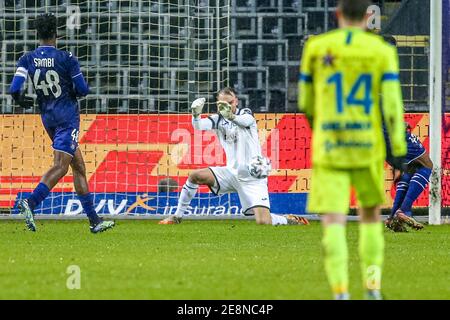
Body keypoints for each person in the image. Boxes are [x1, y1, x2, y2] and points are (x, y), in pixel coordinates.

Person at [299, 0, 407, 300]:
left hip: (330, 146)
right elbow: (392, 105)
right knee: (371, 218)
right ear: (370, 16)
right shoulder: (382, 51)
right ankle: (372, 287)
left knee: (333, 219)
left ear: (337, 14)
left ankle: (340, 291)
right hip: (367, 146)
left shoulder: (317, 48)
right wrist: (398, 154)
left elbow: (306, 103)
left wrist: (321, 129)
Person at [9, 13, 114, 233]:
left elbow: (14, 89)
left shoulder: (26, 58)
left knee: (79, 167)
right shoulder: (67, 58)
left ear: (37, 34)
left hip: (48, 117)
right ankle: (31, 202)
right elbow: (83, 90)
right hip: (67, 118)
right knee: (61, 166)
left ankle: (94, 221)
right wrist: (73, 91)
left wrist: (21, 100)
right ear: (56, 34)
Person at [159, 87, 309, 226]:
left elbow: (246, 121)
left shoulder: (245, 113)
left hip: (253, 177)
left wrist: (230, 116)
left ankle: (287, 219)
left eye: (230, 103)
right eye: (223, 104)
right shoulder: (217, 120)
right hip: (230, 173)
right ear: (218, 104)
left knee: (264, 221)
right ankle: (177, 216)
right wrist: (195, 114)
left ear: (236, 101)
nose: (228, 106)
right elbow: (198, 126)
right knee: (195, 176)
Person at [385, 125, 431, 231]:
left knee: (409, 170)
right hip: (394, 137)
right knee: (427, 164)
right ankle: (403, 210)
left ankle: (392, 217)